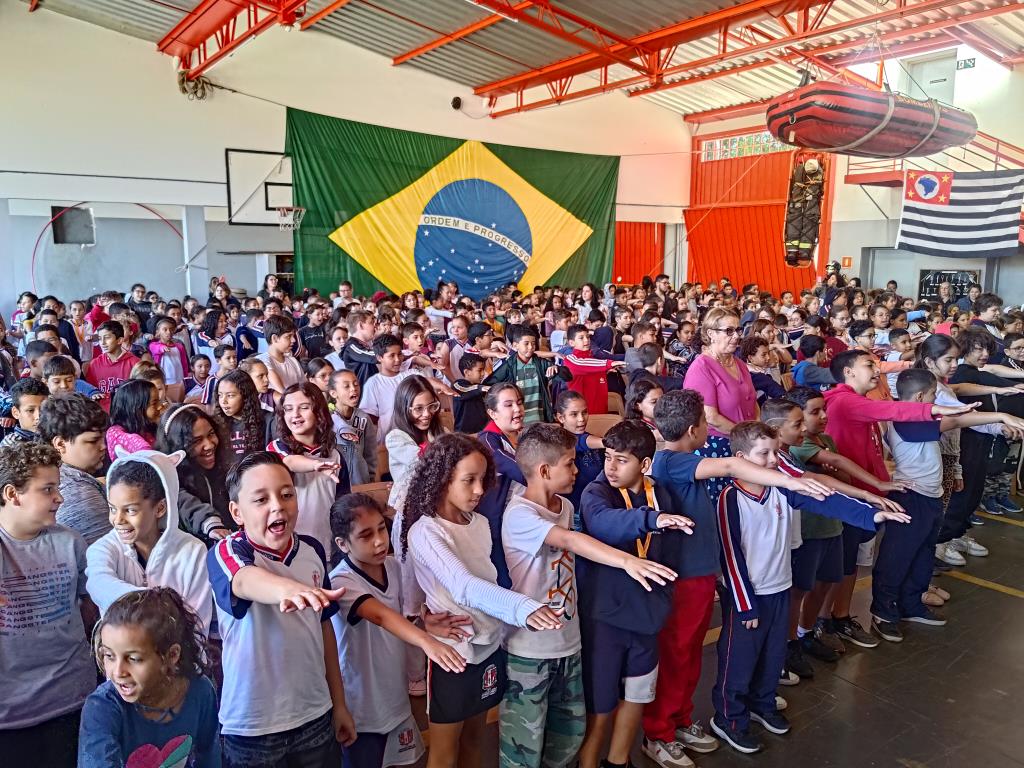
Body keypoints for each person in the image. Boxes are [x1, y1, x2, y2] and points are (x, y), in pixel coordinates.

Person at [641, 389, 831, 768]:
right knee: (677, 655)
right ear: (696, 428)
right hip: (684, 576)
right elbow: (729, 467)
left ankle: (679, 719)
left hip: (698, 575)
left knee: (690, 654)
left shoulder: (683, 458)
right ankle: (657, 732)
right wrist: (791, 481)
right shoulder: (671, 461)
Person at [712, 421, 904, 754]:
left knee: (773, 655)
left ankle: (763, 703)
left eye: (775, 452)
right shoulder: (730, 499)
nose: (774, 460)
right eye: (764, 454)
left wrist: (870, 515)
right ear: (740, 458)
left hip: (779, 588)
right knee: (738, 661)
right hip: (748, 597)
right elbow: (731, 557)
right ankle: (729, 718)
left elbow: (825, 500)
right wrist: (745, 606)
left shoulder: (782, 488)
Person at [500, 423, 678, 768]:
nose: (579, 469)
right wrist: (629, 561)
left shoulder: (564, 506)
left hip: (568, 641)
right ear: (544, 470)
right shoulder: (520, 513)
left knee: (565, 739)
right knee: (524, 744)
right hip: (531, 648)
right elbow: (571, 541)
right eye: (570, 463)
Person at [398, 434, 563, 768]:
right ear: (443, 479)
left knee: (476, 738)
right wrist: (523, 608)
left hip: (488, 645)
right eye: (468, 480)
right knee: (445, 752)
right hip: (454, 654)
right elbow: (464, 586)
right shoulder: (426, 531)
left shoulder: (481, 523)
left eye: (482, 480)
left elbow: (487, 580)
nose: (478, 491)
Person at [207, 452, 356, 767]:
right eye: (261, 500)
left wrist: (339, 703)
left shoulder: (312, 550)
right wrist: (290, 590)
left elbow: (325, 628)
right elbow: (244, 580)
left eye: (287, 494)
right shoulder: (228, 550)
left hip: (315, 714)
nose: (278, 505)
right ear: (237, 512)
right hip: (252, 728)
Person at [575, 421, 695, 768]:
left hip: (647, 616)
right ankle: (587, 761)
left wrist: (664, 597)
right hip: (607, 616)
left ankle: (618, 759)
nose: (610, 467)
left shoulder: (661, 494)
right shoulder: (596, 493)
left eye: (621, 460)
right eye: (608, 457)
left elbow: (670, 553)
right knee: (601, 701)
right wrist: (652, 520)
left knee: (637, 694)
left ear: (644, 465)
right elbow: (603, 524)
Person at [873, 369, 1024, 642]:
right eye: (933, 395)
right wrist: (1000, 415)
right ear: (920, 397)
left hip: (929, 494)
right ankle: (884, 611)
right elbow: (955, 422)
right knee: (898, 556)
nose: (935, 400)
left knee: (923, 553)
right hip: (912, 496)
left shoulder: (917, 416)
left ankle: (911, 604)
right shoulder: (904, 419)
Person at [329, 493, 469, 768]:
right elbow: (381, 616)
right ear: (342, 544)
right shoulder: (341, 581)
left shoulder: (393, 567)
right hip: (362, 710)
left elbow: (400, 619)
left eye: (382, 528)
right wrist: (427, 642)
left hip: (395, 701)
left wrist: (425, 624)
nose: (380, 540)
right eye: (366, 535)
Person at [0, 442, 96, 768]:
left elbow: (87, 610)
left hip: (73, 701)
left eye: (58, 487)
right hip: (10, 716)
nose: (60, 498)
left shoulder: (70, 542)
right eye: (48, 489)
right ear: (13, 494)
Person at [78, 587, 220, 767]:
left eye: (134, 659)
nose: (118, 671)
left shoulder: (200, 691)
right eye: (109, 656)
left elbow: (209, 758)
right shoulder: (102, 708)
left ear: (172, 655)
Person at [85, 449, 213, 633]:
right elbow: (99, 583)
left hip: (177, 660)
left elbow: (198, 628)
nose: (118, 520)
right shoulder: (103, 549)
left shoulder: (192, 553)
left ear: (160, 508)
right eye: (113, 509)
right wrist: (158, 603)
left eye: (130, 510)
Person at [682, 308, 759, 504]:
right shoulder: (701, 368)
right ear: (711, 334)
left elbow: (752, 399)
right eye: (729, 331)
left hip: (746, 444)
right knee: (727, 507)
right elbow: (710, 417)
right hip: (718, 447)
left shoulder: (738, 363)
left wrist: (756, 430)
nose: (736, 336)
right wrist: (746, 436)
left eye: (738, 330)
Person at [267, 382, 351, 557]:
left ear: (319, 412)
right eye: (288, 409)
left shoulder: (334, 455)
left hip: (328, 545)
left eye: (303, 407)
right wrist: (315, 465)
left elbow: (342, 504)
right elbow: (289, 461)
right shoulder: (276, 448)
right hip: (289, 547)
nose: (295, 414)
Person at [38, 393, 110, 545]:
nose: (103, 446)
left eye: (103, 438)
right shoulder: (77, 492)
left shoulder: (59, 478)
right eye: (93, 441)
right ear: (60, 444)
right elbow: (114, 554)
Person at [155, 404, 232, 541]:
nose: (209, 445)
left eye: (211, 434)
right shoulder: (167, 479)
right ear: (177, 446)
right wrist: (211, 523)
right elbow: (184, 502)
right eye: (196, 441)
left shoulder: (222, 467)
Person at [360, 333, 451, 445]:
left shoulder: (411, 374)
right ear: (380, 358)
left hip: (416, 435)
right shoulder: (373, 384)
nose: (398, 359)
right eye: (391, 356)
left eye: (399, 354)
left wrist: (443, 386)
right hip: (389, 440)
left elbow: (426, 381)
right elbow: (370, 419)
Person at [554, 390, 605, 529]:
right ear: (561, 417)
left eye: (585, 412)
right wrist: (608, 442)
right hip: (574, 513)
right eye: (574, 414)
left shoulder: (592, 440)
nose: (581, 419)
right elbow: (579, 442)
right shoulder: (559, 442)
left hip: (596, 507)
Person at [487, 324, 556, 424]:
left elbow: (566, 376)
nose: (531, 347)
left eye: (533, 343)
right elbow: (490, 383)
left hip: (540, 418)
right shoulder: (509, 366)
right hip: (518, 420)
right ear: (515, 345)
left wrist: (556, 367)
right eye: (526, 343)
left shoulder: (541, 363)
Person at [328, 369, 377, 486]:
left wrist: (370, 479)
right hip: (335, 482)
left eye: (356, 384)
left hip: (360, 481)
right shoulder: (328, 419)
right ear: (333, 393)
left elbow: (370, 453)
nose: (353, 388)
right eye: (346, 386)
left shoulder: (364, 418)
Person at [215, 368, 274, 461]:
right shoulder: (216, 423)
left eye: (230, 395)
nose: (223, 401)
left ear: (245, 396)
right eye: (220, 395)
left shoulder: (269, 420)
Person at [565, 323, 624, 415]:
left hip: (600, 409)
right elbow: (583, 364)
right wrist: (609, 363)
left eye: (588, 337)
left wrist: (606, 371)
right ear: (571, 343)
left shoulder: (593, 360)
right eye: (581, 338)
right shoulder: (570, 359)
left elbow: (590, 369)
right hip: (582, 413)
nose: (586, 340)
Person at [86, 320, 140, 409]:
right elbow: (91, 392)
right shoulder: (95, 364)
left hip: (127, 413)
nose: (102, 343)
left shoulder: (135, 363)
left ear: (119, 340)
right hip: (102, 414)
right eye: (99, 338)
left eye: (107, 338)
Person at [105, 379, 162, 459]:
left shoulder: (148, 427)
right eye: (154, 403)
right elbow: (146, 453)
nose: (160, 406)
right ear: (136, 408)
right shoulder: (114, 433)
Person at [258, 314, 306, 396]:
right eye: (288, 336)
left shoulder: (292, 360)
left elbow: (304, 386)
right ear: (275, 338)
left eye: (293, 336)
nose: (294, 340)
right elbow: (282, 391)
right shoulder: (261, 361)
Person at [148, 315, 189, 404]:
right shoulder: (154, 345)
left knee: (178, 401)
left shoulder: (179, 346)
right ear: (158, 332)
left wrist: (186, 377)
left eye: (171, 329)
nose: (168, 332)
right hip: (165, 381)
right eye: (165, 329)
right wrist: (162, 348)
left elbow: (184, 363)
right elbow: (156, 348)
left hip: (179, 380)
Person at [1, 377, 48, 447]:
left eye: (44, 408)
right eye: (30, 410)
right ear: (15, 413)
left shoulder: (58, 435)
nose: (38, 416)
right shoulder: (10, 446)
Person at [452, 353, 490, 433]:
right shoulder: (457, 385)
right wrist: (480, 388)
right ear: (467, 372)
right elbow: (465, 390)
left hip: (482, 432)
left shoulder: (480, 388)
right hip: (463, 435)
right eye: (480, 370)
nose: (483, 374)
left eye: (483, 370)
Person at [342, 310, 380, 387]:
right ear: (360, 325)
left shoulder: (361, 345)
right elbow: (374, 356)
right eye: (371, 323)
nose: (374, 326)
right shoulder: (351, 346)